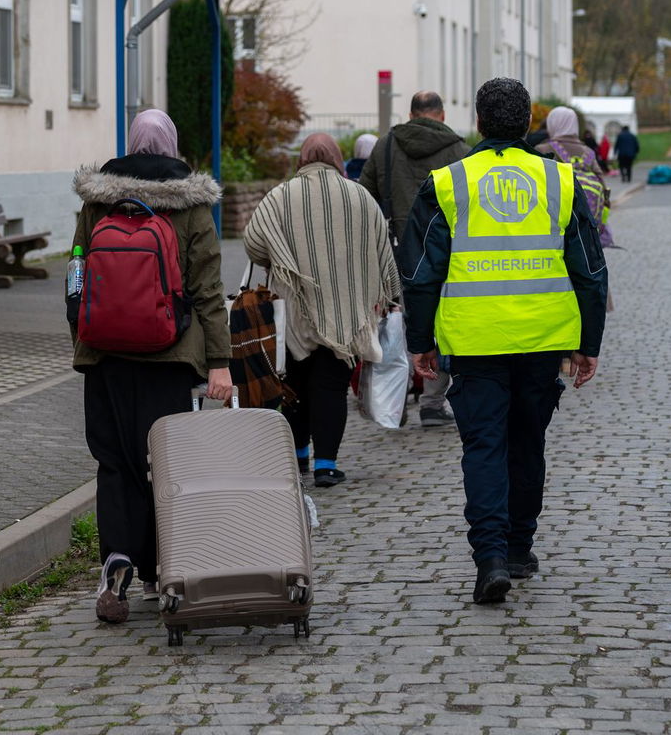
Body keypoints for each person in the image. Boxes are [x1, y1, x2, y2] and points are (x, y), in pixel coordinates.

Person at [400, 78, 608, 605]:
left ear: (477, 122)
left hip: (475, 340)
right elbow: (590, 269)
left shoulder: (449, 183)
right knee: (527, 443)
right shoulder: (559, 180)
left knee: (484, 447)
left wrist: (420, 340)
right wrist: (589, 342)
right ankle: (518, 549)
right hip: (543, 337)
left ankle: (490, 557)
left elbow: (421, 272)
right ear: (526, 122)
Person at [72, 109, 232, 624]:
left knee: (114, 462)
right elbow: (208, 290)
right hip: (170, 357)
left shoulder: (97, 200)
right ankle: (160, 568)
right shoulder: (191, 204)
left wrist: (84, 334)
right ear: (172, 146)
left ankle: (117, 557)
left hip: (105, 356)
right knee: (164, 464)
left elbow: (76, 275)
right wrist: (219, 362)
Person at [243, 134, 402, 488]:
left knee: (294, 385)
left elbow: (253, 242)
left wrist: (280, 258)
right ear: (336, 160)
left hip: (293, 309)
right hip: (346, 312)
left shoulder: (280, 196)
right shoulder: (360, 196)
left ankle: (298, 456)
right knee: (331, 387)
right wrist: (390, 295)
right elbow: (382, 248)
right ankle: (326, 466)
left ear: (301, 160)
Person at [357, 90, 470, 427]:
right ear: (442, 115)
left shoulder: (386, 146)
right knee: (439, 325)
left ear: (410, 115)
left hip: (394, 250)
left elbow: (365, 197)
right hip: (444, 251)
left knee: (396, 325)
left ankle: (394, 401)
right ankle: (433, 403)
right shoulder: (459, 151)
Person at [538, 107, 613, 248]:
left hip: (555, 226)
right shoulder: (588, 152)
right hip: (586, 225)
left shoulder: (543, 149)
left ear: (551, 123)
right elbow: (602, 184)